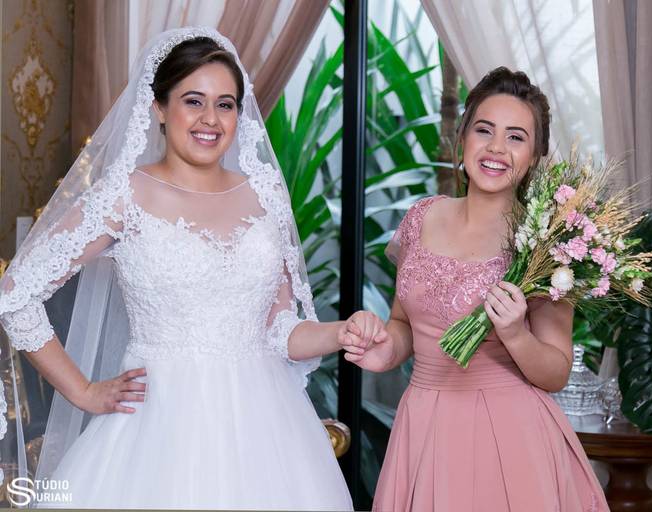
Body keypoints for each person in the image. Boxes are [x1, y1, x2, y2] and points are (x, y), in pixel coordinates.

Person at [0, 27, 372, 510]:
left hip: (268, 432)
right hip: (157, 428)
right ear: (158, 107)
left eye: (226, 104)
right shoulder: (125, 195)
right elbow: (16, 292)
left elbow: (282, 330)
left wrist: (341, 332)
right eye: (193, 100)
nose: (210, 119)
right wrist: (84, 391)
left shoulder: (265, 195)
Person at [341, 67, 609, 511]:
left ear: (535, 157)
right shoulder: (421, 216)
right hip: (424, 424)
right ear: (462, 137)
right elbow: (404, 324)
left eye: (516, 137)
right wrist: (384, 351)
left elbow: (556, 371)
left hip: (508, 437)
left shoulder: (547, 241)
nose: (496, 148)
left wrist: (516, 334)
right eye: (484, 130)